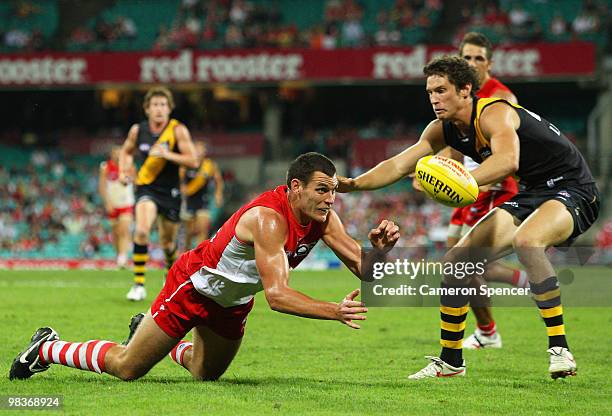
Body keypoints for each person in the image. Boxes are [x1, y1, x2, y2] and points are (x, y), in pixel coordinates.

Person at [9, 152, 400, 382]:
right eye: (322, 189)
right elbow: (278, 297)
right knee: (128, 367)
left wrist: (378, 252)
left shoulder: (324, 218)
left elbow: (364, 270)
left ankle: (153, 334)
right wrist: (334, 310)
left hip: (233, 301)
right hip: (195, 286)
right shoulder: (269, 218)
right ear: (296, 187)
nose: (331, 198)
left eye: (333, 190)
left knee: (204, 375)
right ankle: (49, 347)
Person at [339, 56, 599, 379]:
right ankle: (451, 361)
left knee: (527, 241)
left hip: (574, 188)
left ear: (465, 90)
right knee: (456, 262)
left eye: (441, 90)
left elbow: (508, 160)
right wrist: (352, 184)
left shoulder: (495, 113)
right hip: (533, 193)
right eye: (430, 91)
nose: (434, 98)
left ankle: (560, 349)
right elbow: (399, 165)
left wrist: (463, 180)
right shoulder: (442, 129)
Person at [451, 32, 525, 350]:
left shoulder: (502, 98)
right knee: (458, 263)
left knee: (465, 265)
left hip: (494, 187)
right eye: (466, 58)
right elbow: (454, 145)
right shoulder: (457, 94)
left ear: (489, 63)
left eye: (478, 58)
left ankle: (487, 331)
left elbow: (509, 152)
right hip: (468, 188)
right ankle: (487, 330)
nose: (471, 63)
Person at [119, 87, 198, 301]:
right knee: (142, 231)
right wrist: (125, 170)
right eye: (155, 105)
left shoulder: (178, 130)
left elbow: (193, 160)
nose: (159, 109)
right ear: (147, 109)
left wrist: (167, 154)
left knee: (168, 244)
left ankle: (169, 274)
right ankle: (138, 285)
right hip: (147, 188)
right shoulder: (138, 130)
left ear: (169, 108)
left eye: (163, 105)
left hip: (171, 192)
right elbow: (125, 152)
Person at [180, 141, 224, 250]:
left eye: (201, 149)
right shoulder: (186, 164)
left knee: (203, 228)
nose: (199, 152)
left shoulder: (209, 165)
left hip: (203, 200)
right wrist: (181, 190)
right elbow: (179, 180)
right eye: (196, 149)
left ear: (205, 152)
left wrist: (218, 194)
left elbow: (218, 181)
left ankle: (200, 255)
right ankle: (186, 254)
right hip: (188, 200)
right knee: (189, 232)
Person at [98, 146, 134, 268]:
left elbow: (135, 180)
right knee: (115, 233)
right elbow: (102, 186)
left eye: (120, 153)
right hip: (113, 204)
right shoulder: (105, 167)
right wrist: (107, 202)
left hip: (126, 203)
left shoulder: (128, 165)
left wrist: (129, 180)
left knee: (124, 229)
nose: (118, 156)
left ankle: (122, 258)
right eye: (116, 153)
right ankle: (119, 256)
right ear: (112, 154)